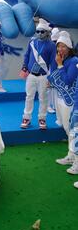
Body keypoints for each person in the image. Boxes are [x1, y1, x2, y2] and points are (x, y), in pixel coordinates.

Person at [48, 31, 78, 172]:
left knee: (72, 131)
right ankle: (71, 155)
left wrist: (59, 65)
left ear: (69, 47)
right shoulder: (63, 60)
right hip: (60, 99)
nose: (60, 49)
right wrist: (58, 64)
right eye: (59, 46)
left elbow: (68, 81)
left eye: (63, 46)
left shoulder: (73, 61)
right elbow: (55, 78)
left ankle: (76, 160)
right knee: (67, 128)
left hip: (69, 101)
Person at [20, 19, 56, 130]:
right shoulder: (32, 42)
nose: (39, 33)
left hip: (43, 76)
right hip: (31, 75)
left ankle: (42, 119)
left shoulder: (51, 45)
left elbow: (53, 63)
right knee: (29, 97)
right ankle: (26, 118)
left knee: (43, 98)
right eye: (38, 31)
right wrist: (24, 67)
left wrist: (51, 77)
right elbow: (27, 56)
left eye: (42, 31)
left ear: (47, 32)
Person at [47, 27, 60, 114]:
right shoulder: (50, 45)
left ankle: (54, 105)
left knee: (56, 88)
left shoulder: (59, 45)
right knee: (49, 88)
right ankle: (48, 105)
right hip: (50, 68)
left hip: (57, 68)